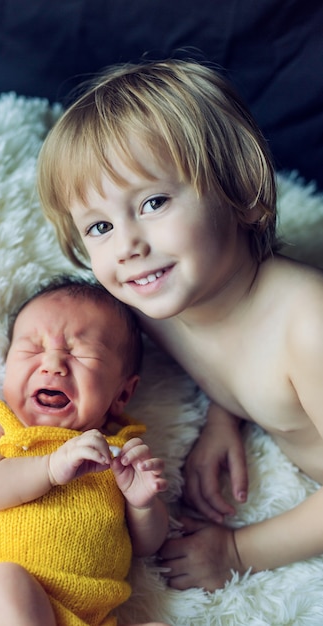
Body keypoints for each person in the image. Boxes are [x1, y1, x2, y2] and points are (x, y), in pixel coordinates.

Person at [37, 58, 323, 592]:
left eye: (153, 202)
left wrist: (237, 549)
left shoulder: (307, 327)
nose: (128, 246)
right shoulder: (154, 309)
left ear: (240, 191)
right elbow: (233, 362)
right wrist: (224, 417)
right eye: (99, 226)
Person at [0, 276, 170, 626]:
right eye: (32, 349)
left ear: (122, 394)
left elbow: (146, 546)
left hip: (86, 618)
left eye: (81, 353)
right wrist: (48, 468)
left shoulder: (118, 453)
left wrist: (143, 504)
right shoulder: (3, 424)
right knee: (6, 582)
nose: (53, 365)